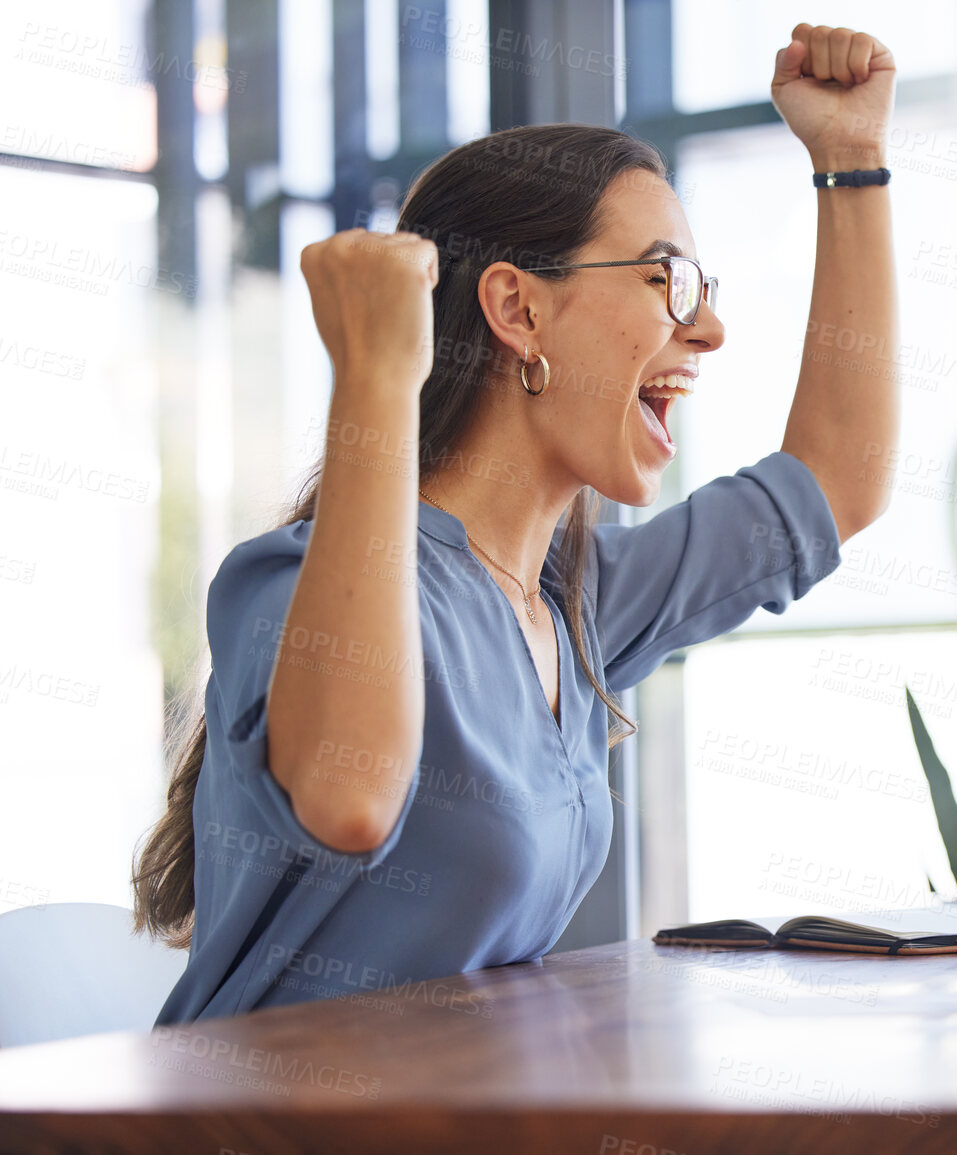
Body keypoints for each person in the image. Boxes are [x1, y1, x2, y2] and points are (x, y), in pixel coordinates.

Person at [136, 23, 899, 1023]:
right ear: (518, 310)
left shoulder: (573, 607)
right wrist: (373, 377)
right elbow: (351, 796)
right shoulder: (292, 583)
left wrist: (851, 162)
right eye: (667, 279)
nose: (707, 328)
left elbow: (832, 483)